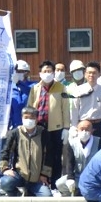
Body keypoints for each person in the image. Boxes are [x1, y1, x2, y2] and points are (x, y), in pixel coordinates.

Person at [27, 60, 70, 189]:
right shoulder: (35, 88)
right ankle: (38, 184)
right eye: (45, 71)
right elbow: (30, 107)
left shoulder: (61, 87)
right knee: (39, 155)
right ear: (40, 73)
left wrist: (66, 127)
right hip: (39, 127)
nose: (47, 74)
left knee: (56, 156)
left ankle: (54, 185)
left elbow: (65, 108)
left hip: (56, 128)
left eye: (50, 71)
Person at [0, 106, 53, 197]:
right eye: (26, 117)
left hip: (37, 179)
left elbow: (49, 155)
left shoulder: (43, 133)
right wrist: (5, 169)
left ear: (36, 119)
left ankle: (29, 192)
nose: (29, 120)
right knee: (5, 183)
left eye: (32, 118)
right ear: (22, 118)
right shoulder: (15, 133)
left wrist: (44, 174)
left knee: (47, 195)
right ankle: (16, 193)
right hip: (19, 176)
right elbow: (5, 151)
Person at [70, 61, 101, 148]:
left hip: (98, 125)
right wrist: (74, 127)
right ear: (85, 74)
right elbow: (74, 110)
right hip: (82, 126)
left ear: (98, 74)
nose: (91, 75)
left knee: (98, 152)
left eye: (94, 73)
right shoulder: (78, 90)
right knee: (82, 152)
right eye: (89, 73)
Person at [56, 119, 101, 197]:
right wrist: (70, 178)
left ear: (92, 130)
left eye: (87, 129)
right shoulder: (72, 143)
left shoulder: (99, 142)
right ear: (77, 130)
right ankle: (75, 193)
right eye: (82, 129)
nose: (84, 132)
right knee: (60, 184)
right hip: (78, 176)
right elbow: (69, 162)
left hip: (93, 178)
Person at [9, 59, 36, 129]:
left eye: (20, 71)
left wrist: (19, 83)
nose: (17, 73)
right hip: (15, 125)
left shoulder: (34, 85)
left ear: (27, 72)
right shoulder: (10, 88)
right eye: (16, 71)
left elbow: (31, 92)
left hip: (30, 124)